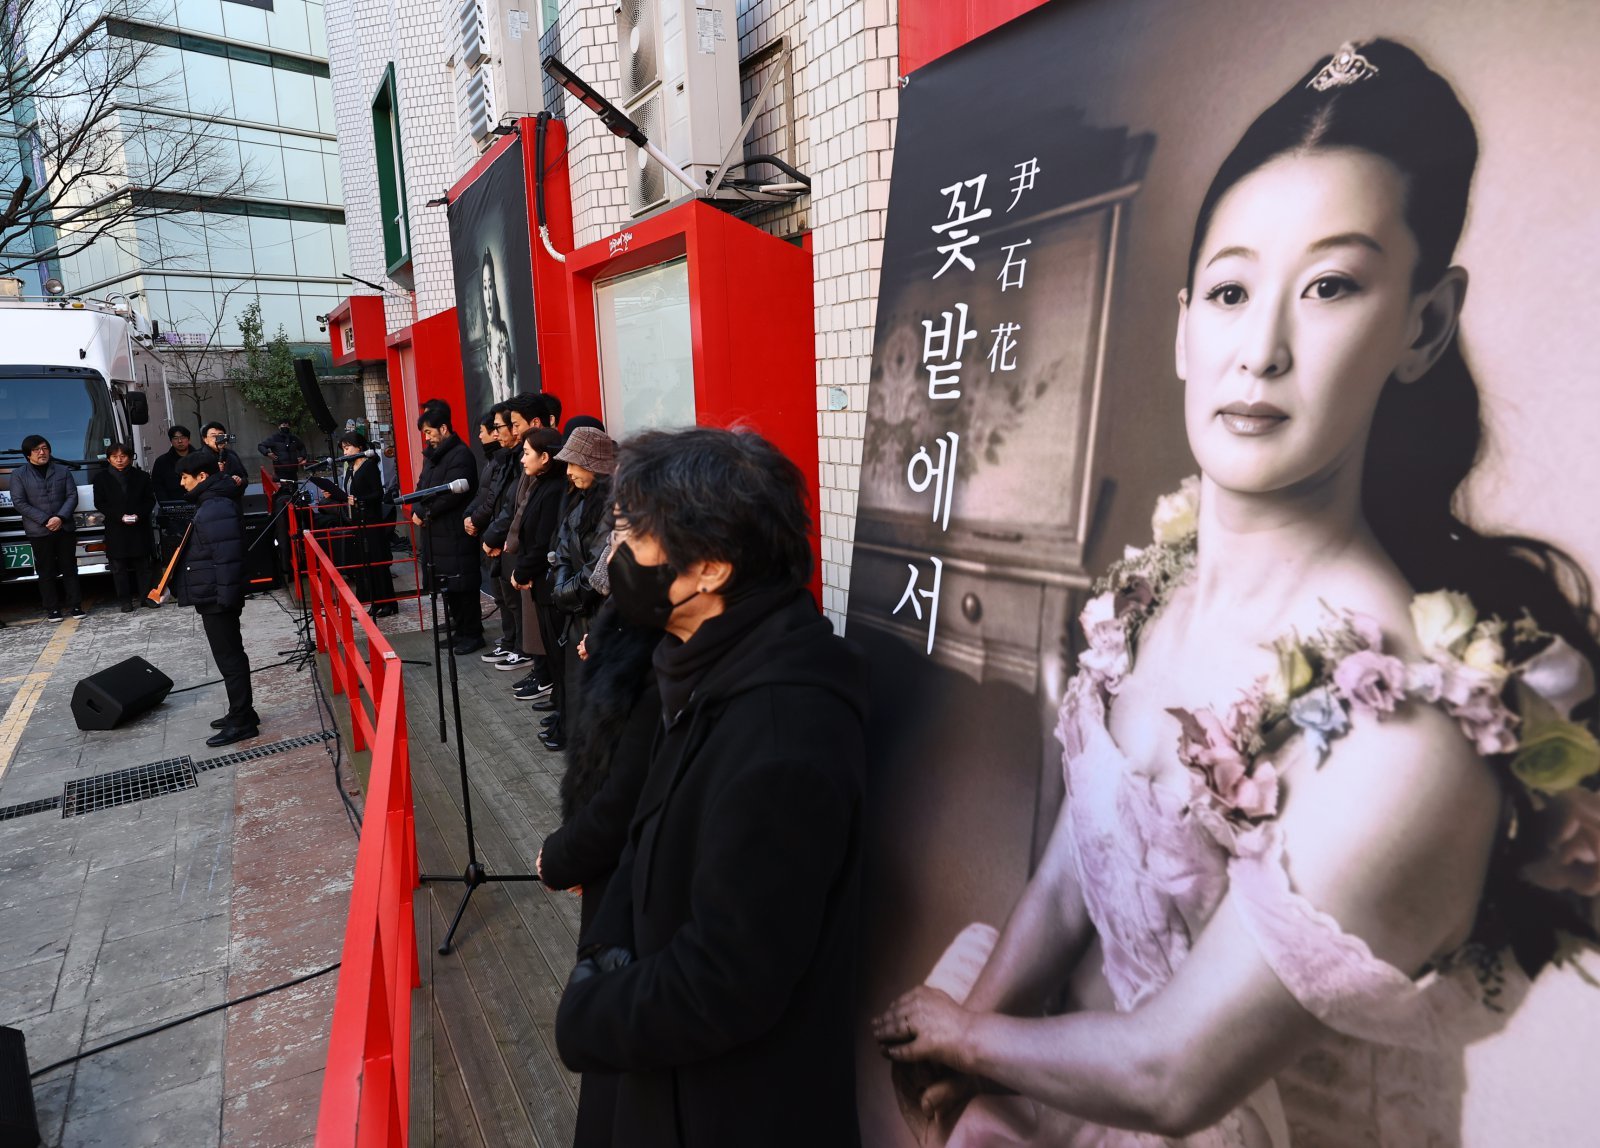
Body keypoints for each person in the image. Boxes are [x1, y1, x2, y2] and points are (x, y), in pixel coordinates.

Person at [870, 39, 1600, 1148]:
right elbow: (1080, 854)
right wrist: (974, 1024)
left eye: (1331, 286)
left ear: (1422, 325)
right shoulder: (1150, 596)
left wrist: (959, 1040)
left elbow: (1173, 1076)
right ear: (1180, 325)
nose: (1258, 349)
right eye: (1229, 288)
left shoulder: (1404, 736)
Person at [552, 427, 868, 1147]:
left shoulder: (784, 735)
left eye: (631, 533)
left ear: (710, 569)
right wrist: (598, 963)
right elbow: (642, 844)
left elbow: (726, 980)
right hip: (655, 1068)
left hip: (723, 1105)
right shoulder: (698, 665)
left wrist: (586, 1014)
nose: (614, 555)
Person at [536, 593, 660, 1148]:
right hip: (607, 856)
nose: (624, 539)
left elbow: (625, 795)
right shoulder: (631, 620)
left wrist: (563, 855)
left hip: (634, 873)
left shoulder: (671, 663)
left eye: (635, 524)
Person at [177, 452, 260, 747]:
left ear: (202, 477)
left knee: (230, 658)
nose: (181, 483)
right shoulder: (212, 502)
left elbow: (227, 556)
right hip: (215, 592)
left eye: (185, 477)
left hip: (218, 595)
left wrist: (226, 598)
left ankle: (242, 721)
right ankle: (242, 712)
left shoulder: (214, 506)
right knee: (230, 656)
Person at [543, 426, 617, 751]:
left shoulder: (612, 511)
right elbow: (561, 551)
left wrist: (561, 593)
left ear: (596, 466)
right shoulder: (581, 503)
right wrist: (562, 587)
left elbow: (594, 576)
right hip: (577, 619)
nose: (569, 471)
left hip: (598, 622)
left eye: (576, 464)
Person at [411, 399, 483, 654]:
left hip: (454, 533)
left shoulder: (460, 455)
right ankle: (460, 631)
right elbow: (423, 486)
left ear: (443, 428)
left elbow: (453, 495)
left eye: (429, 432)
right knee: (449, 587)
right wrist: (416, 508)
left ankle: (472, 634)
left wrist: (425, 512)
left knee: (463, 586)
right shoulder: (434, 456)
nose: (427, 438)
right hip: (437, 533)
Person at [506, 428, 566, 709]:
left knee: (556, 647)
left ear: (545, 457)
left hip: (546, 579)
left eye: (527, 453)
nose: (521, 459)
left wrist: (522, 572)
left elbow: (543, 541)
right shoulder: (541, 482)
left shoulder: (554, 489)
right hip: (537, 578)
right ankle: (558, 702)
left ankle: (561, 704)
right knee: (549, 646)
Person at [466, 403, 525, 667]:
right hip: (495, 535)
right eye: (502, 427)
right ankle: (512, 642)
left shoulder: (512, 461)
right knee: (502, 596)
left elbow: (508, 505)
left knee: (514, 601)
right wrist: (472, 519)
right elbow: (487, 497)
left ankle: (522, 648)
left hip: (506, 540)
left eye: (502, 427)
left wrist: (490, 534)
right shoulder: (500, 460)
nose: (502, 433)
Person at [9, 434, 83, 621]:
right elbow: (19, 502)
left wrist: (59, 517)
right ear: (28, 454)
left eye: (45, 448)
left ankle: (75, 605)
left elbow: (72, 496)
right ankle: (53, 609)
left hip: (64, 527)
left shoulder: (62, 471)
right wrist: (45, 520)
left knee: (69, 568)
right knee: (46, 571)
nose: (42, 452)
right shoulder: (19, 474)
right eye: (36, 450)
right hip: (39, 531)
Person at [93, 442, 160, 612]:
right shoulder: (101, 478)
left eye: (123, 456)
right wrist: (119, 516)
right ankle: (125, 601)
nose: (119, 460)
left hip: (139, 526)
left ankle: (146, 598)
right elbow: (100, 503)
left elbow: (150, 500)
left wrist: (138, 514)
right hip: (115, 527)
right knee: (118, 567)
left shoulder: (142, 477)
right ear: (108, 459)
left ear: (130, 458)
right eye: (115, 457)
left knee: (143, 565)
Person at [337, 430, 396, 615]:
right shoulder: (350, 467)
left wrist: (359, 499)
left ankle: (388, 603)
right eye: (343, 449)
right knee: (365, 563)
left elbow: (377, 493)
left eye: (348, 448)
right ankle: (374, 601)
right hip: (357, 520)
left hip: (371, 520)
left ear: (359, 447)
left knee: (377, 561)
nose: (345, 452)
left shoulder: (369, 465)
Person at [481, 248, 515, 404]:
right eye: (484, 287)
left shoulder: (503, 335)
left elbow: (508, 395)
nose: (488, 296)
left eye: (490, 286)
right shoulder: (488, 336)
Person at [152, 424, 195, 502]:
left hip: (199, 503)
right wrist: (166, 503)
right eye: (176, 438)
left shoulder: (200, 457)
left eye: (183, 437)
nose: (180, 441)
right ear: (171, 441)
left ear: (188, 439)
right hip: (172, 504)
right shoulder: (161, 462)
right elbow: (158, 486)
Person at [199, 422, 249, 489]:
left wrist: (239, 480)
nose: (218, 439)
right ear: (205, 440)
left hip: (232, 495)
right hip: (209, 496)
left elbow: (245, 477)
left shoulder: (232, 454)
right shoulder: (198, 456)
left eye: (221, 436)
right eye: (213, 436)